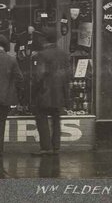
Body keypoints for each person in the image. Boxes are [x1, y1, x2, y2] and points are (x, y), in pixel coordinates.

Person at [31, 26, 71, 155]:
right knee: (56, 119)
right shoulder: (64, 55)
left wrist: (32, 93)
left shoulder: (42, 55)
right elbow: (67, 75)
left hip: (44, 93)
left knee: (41, 118)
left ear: (43, 39)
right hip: (59, 94)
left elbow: (39, 76)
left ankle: (46, 147)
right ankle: (56, 147)